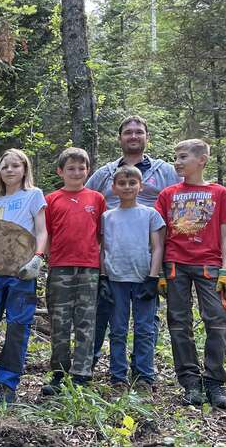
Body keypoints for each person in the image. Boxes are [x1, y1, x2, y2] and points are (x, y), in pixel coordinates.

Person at [86, 115, 179, 368]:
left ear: (147, 137)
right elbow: (86, 201)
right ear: (120, 138)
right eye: (128, 132)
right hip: (111, 253)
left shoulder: (165, 171)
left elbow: (183, 201)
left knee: (146, 317)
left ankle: (143, 370)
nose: (134, 136)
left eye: (139, 131)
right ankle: (89, 364)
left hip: (149, 254)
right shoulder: (105, 174)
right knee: (104, 310)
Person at [155, 139, 226, 409]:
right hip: (176, 265)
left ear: (201, 160)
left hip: (209, 266)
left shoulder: (219, 193)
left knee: (217, 321)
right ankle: (190, 381)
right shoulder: (168, 194)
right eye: (175, 157)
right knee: (179, 323)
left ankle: (214, 381)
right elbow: (161, 234)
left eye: (183, 157)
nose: (177, 162)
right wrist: (161, 273)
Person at [0, 149, 48, 405]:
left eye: (16, 165)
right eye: (5, 166)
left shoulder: (34, 196)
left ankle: (7, 387)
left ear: (24, 169)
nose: (10, 170)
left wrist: (38, 257)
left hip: (22, 270)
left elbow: (42, 229)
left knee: (17, 327)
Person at [42, 147, 107, 395]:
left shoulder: (96, 198)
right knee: (59, 322)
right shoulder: (51, 199)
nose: (76, 172)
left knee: (86, 321)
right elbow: (45, 233)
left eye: (81, 168)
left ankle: (81, 373)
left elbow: (101, 234)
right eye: (71, 168)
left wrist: (99, 264)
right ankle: (59, 371)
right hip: (60, 268)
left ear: (87, 170)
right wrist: (49, 257)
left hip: (90, 268)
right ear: (61, 171)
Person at [100, 165, 165, 390]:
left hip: (142, 278)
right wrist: (103, 277)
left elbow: (157, 247)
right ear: (113, 188)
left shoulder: (150, 214)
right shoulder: (107, 217)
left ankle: (144, 375)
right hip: (116, 278)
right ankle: (118, 376)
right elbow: (102, 249)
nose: (127, 187)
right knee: (117, 329)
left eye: (132, 183)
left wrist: (153, 277)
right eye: (122, 183)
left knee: (145, 328)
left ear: (141, 186)